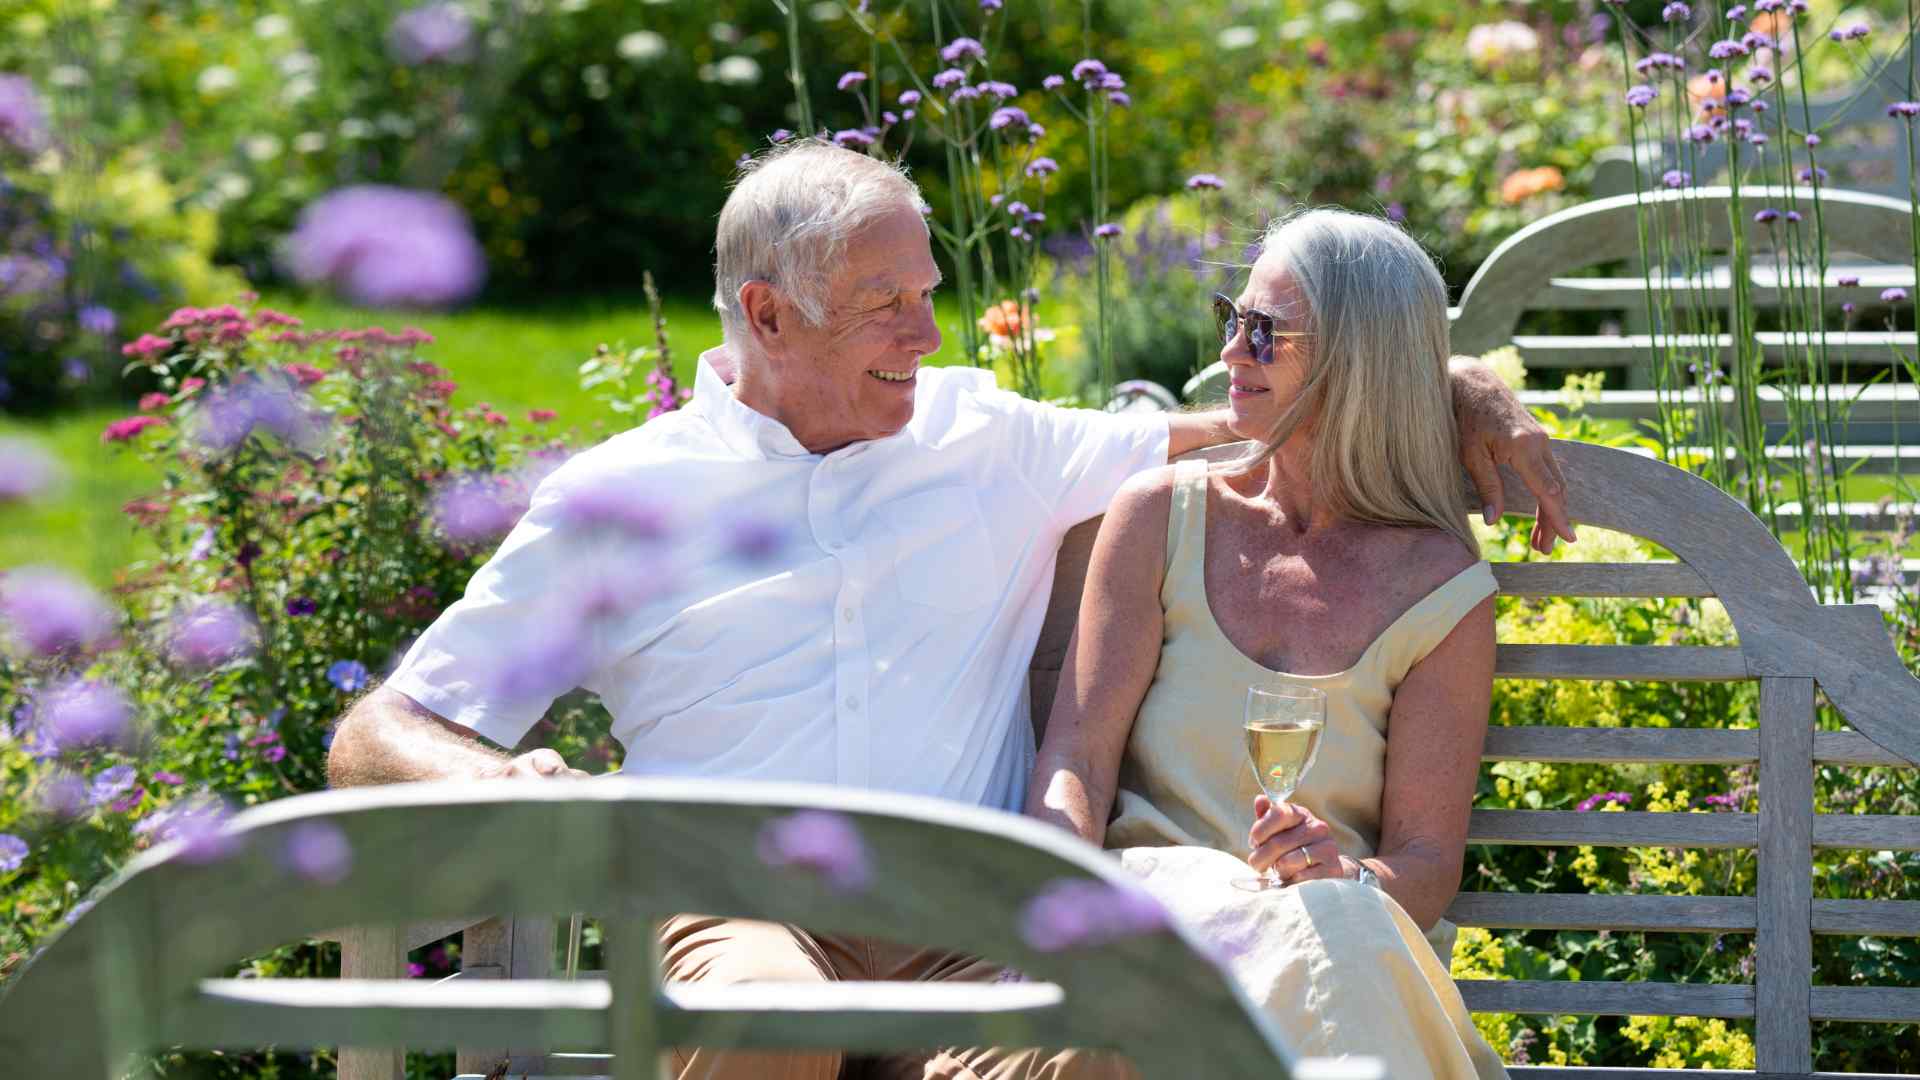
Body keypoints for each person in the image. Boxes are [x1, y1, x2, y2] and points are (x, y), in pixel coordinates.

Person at [326, 142, 1566, 1079]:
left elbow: (1280, 414)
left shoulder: (985, 434)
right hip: (740, 911)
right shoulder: (619, 503)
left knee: (1130, 1039)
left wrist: (1443, 377)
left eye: (929, 292)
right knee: (762, 1015)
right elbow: (377, 733)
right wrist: (499, 790)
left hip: (971, 916)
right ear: (766, 314)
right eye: (887, 305)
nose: (931, 334)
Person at [1027, 208, 1510, 1080]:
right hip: (1154, 923)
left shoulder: (1440, 587)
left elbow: (1426, 862)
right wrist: (1051, 893)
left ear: (1355, 363)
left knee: (1341, 924)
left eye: (1264, 333)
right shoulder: (1161, 517)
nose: (1228, 355)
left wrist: (1351, 878)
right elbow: (1079, 757)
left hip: (1332, 937)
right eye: (1232, 320)